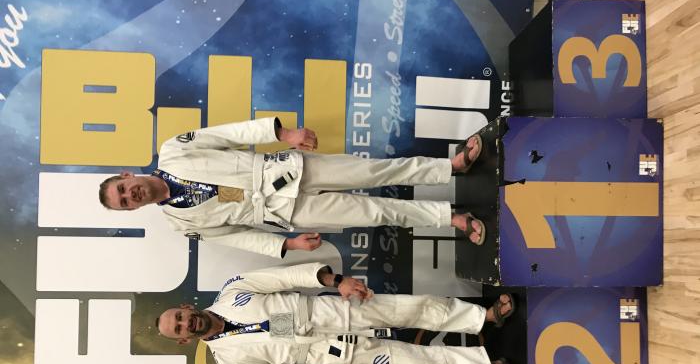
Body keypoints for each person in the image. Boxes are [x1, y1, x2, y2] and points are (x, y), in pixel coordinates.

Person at [99, 117, 486, 257]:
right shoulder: (180, 223)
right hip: (283, 212)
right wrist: (286, 245)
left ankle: (450, 167)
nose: (130, 196)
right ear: (132, 210)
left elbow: (228, 134)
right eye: (125, 203)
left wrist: (283, 134)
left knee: (374, 172)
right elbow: (237, 238)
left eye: (123, 189)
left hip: (283, 170)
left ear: (127, 175)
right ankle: (451, 218)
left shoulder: (173, 150)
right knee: (376, 212)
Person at [155, 262, 520, 364]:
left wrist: (336, 281)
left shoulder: (232, 291)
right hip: (329, 354)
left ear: (186, 307)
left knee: (416, 308)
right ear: (184, 340)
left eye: (180, 316)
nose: (186, 322)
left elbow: (283, 277)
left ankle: (486, 316)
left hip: (332, 311)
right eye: (180, 329)